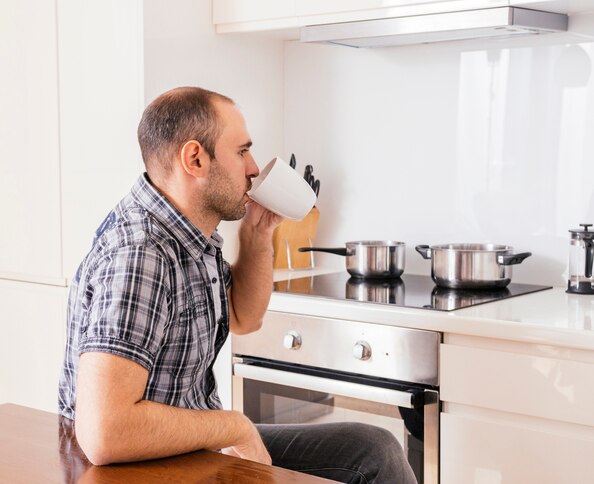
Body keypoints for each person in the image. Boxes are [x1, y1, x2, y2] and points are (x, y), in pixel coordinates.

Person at [58, 86, 416, 483]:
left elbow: (244, 316)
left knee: (373, 451)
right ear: (195, 159)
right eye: (242, 151)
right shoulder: (142, 253)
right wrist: (234, 427)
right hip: (139, 465)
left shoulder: (191, 232)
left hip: (187, 448)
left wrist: (258, 235)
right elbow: (105, 432)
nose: (254, 168)